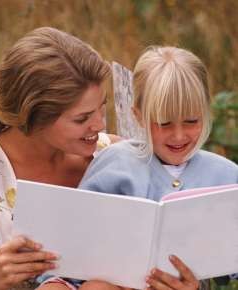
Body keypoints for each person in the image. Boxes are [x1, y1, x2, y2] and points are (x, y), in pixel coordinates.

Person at [0, 26, 116, 290]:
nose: (100, 125)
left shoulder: (110, 155)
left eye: (103, 107)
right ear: (32, 119)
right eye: (82, 118)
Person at [79, 46, 238, 290]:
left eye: (192, 121)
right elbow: (74, 245)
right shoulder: (114, 165)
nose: (178, 136)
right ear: (139, 116)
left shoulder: (227, 177)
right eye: (164, 123)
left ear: (206, 112)